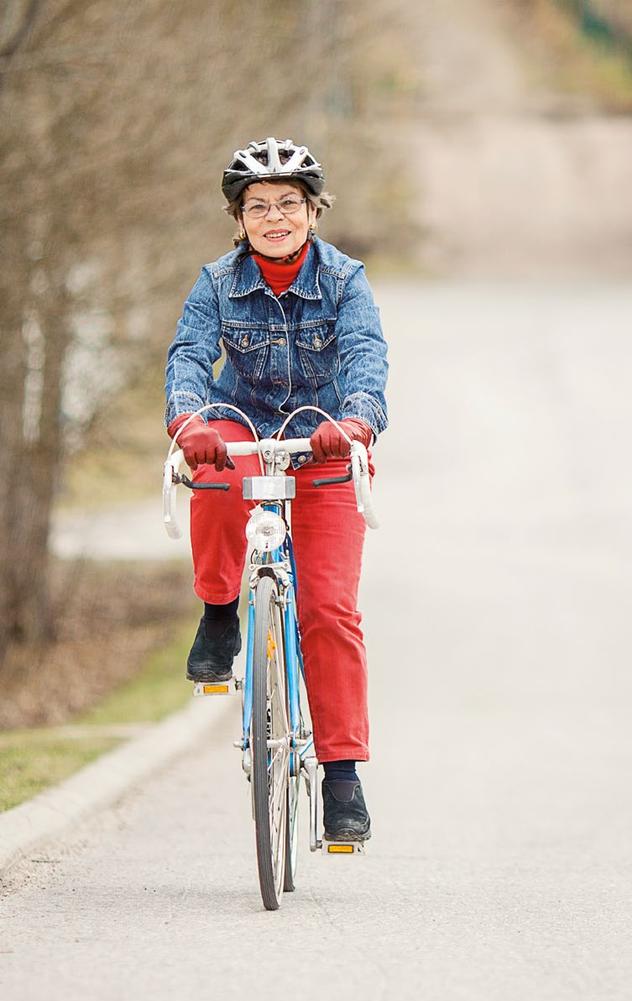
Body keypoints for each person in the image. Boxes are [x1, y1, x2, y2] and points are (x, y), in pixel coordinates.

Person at [164, 137, 388, 844]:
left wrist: (355, 423)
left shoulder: (347, 281)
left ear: (314, 213)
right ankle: (221, 611)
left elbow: (365, 359)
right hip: (239, 426)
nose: (274, 217)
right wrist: (189, 420)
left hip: (322, 442)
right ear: (238, 221)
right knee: (219, 468)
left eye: (288, 204)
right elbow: (190, 357)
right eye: (257, 206)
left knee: (328, 610)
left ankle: (343, 776)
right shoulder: (215, 282)